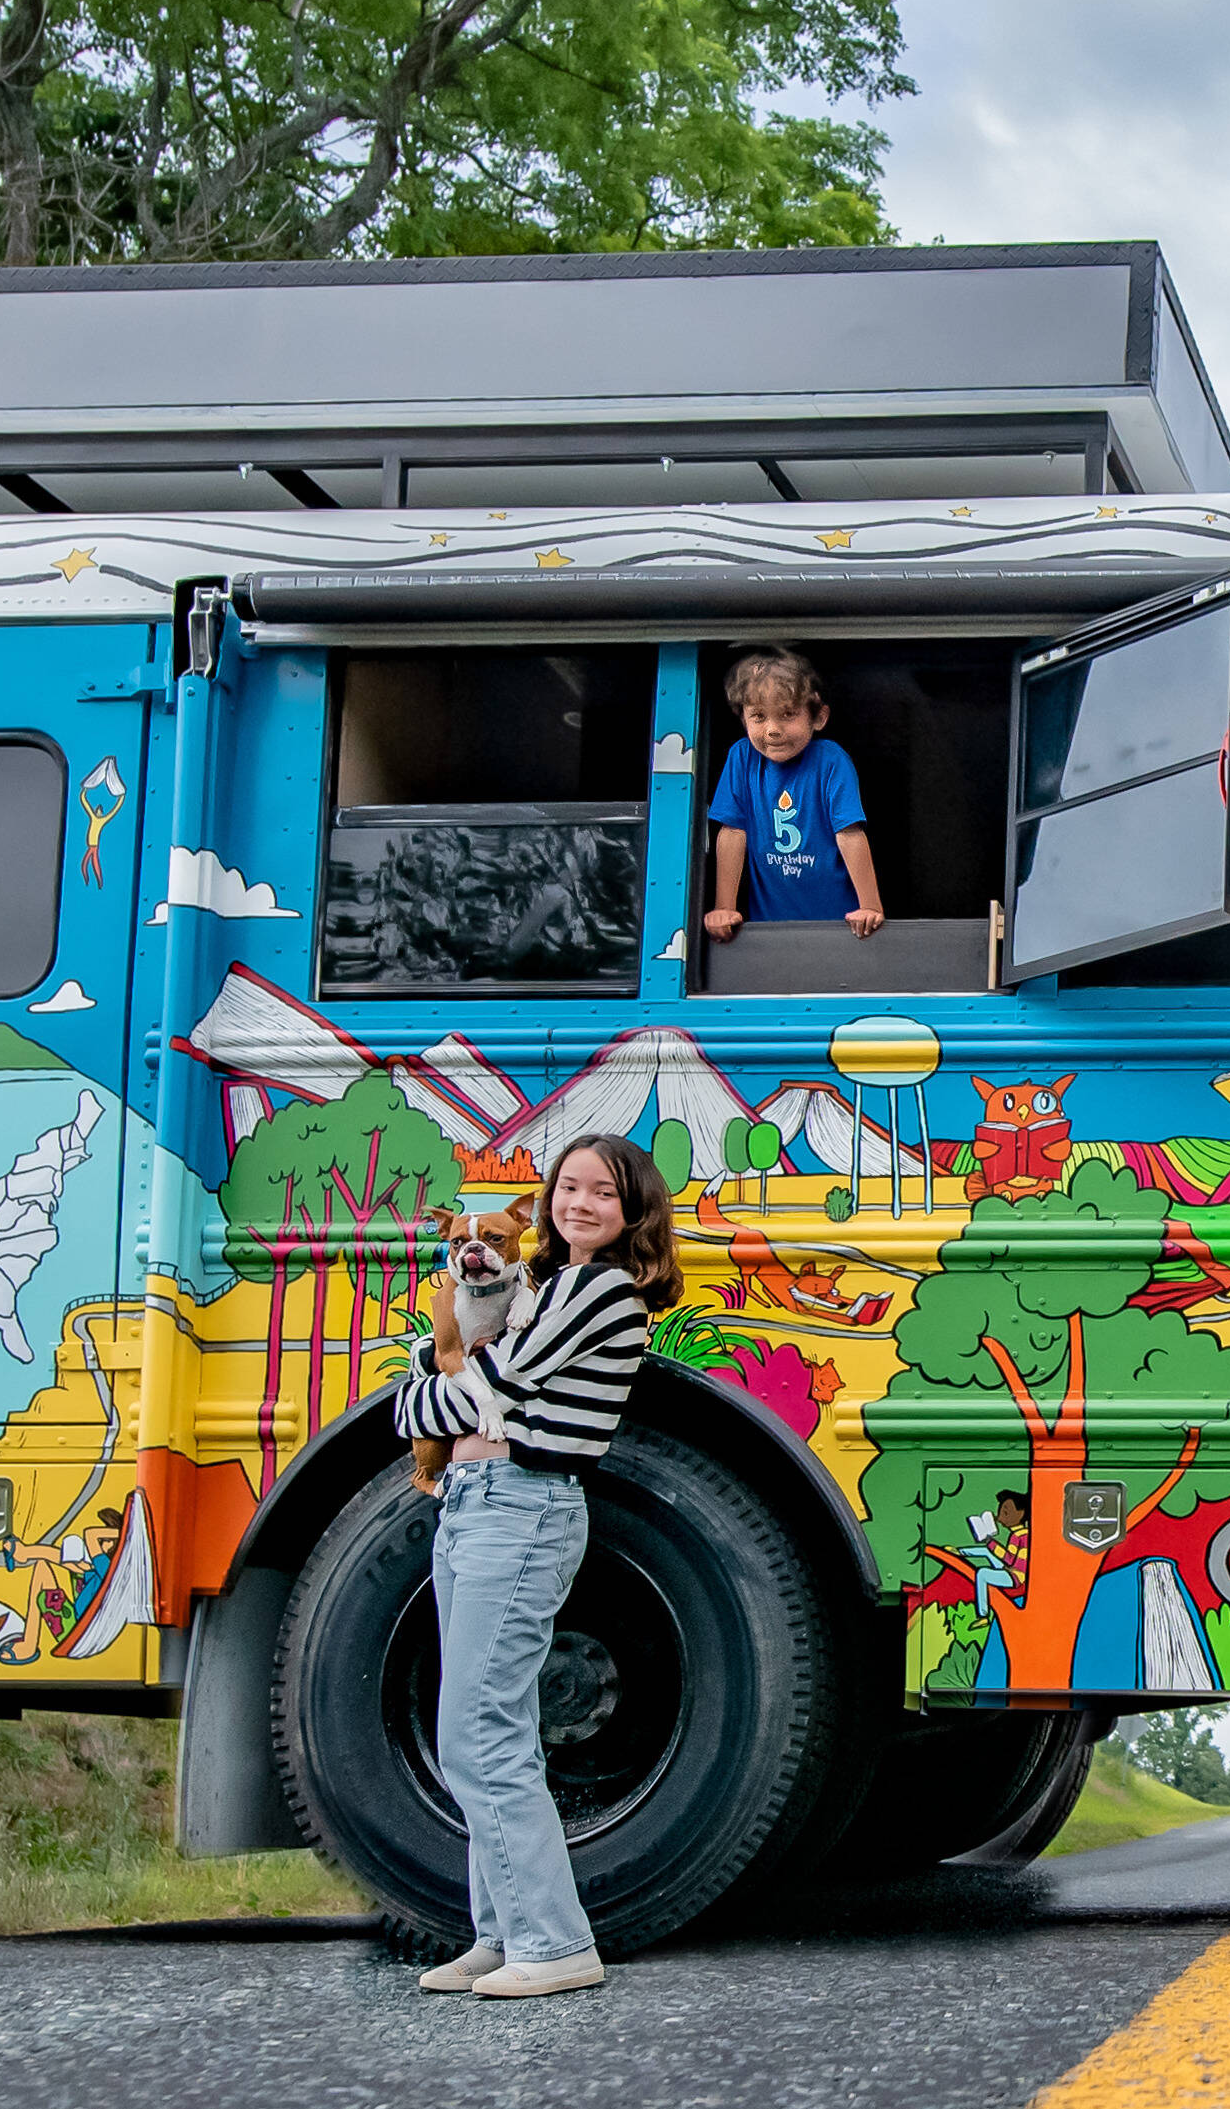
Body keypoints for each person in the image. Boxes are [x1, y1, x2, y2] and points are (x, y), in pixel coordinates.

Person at [391, 1133, 677, 2001]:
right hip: (480, 1499)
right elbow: (467, 1386)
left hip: (521, 1504)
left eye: (602, 1192)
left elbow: (494, 1388)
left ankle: (553, 1942)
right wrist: (445, 1398)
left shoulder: (601, 1289)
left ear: (633, 1213)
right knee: (488, 1729)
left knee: (479, 1734)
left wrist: (416, 1399)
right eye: (568, 1187)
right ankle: (500, 1931)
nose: (578, 1203)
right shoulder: (555, 1285)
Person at [702, 648, 885, 943]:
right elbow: (733, 831)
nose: (772, 730)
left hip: (842, 930)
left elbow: (849, 833)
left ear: (818, 717)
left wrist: (870, 906)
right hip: (768, 934)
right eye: (759, 716)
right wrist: (725, 907)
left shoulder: (830, 760)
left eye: (787, 714)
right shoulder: (742, 757)